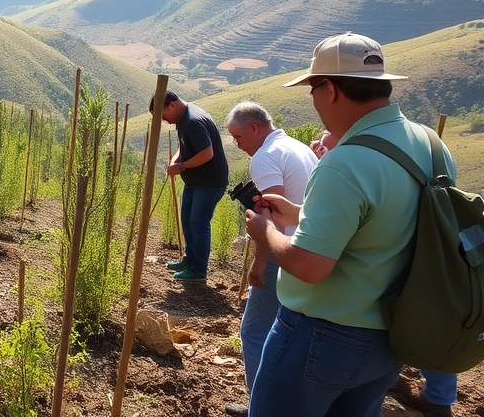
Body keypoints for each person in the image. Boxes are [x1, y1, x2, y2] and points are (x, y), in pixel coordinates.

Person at [244, 32, 457, 417]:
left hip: (320, 336)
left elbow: (310, 266)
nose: (313, 101)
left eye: (312, 90)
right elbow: (384, 220)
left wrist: (267, 232)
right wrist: (296, 213)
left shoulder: (344, 162)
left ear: (331, 90)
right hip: (392, 338)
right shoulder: (431, 145)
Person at [309, 131, 459, 417]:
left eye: (329, 144)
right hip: (433, 254)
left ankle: (434, 398)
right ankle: (437, 397)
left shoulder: (357, 161)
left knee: (413, 322)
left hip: (401, 261)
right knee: (434, 323)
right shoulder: (430, 148)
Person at [224, 102, 318, 414]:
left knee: (253, 332)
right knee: (291, 333)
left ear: (254, 127)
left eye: (238, 137)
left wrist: (259, 261)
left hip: (283, 252)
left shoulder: (265, 157)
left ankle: (260, 406)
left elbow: (271, 216)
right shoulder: (299, 148)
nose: (238, 145)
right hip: (308, 248)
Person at [149, 90, 228, 281]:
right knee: (187, 220)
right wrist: (176, 161)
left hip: (209, 183)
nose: (165, 121)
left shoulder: (193, 121)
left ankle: (199, 270)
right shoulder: (184, 117)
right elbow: (183, 146)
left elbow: (207, 153)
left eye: (163, 116)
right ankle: (190, 259)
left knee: (198, 224)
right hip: (195, 181)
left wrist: (182, 166)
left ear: (171, 105)